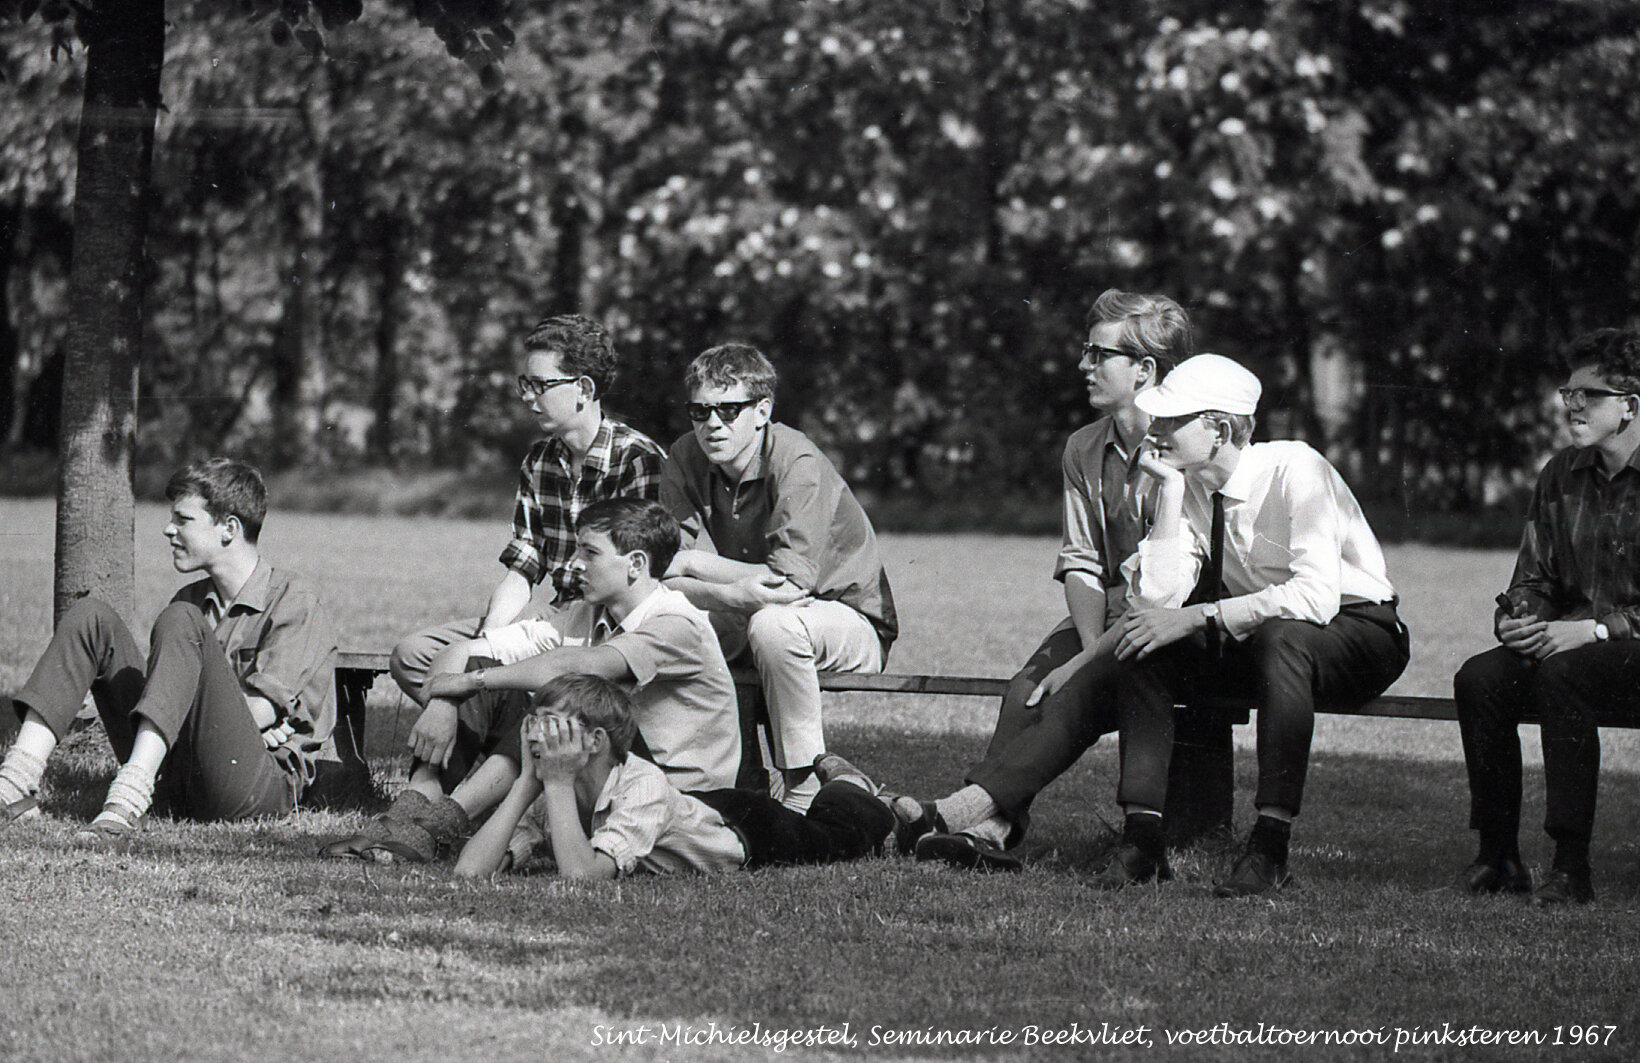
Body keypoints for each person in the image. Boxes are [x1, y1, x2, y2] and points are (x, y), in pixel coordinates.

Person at [900, 290, 1194, 871]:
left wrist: (1087, 664)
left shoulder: (1183, 447)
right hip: (1107, 616)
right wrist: (1089, 650)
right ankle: (991, 828)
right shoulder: (1083, 447)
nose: (1084, 365)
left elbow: (1169, 589)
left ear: (1144, 369)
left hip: (1171, 621)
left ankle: (966, 817)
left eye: (1098, 354)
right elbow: (1081, 561)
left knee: (1075, 686)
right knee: (1027, 688)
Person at [1103, 354, 1409, 896]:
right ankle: (1142, 840)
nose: (1155, 431)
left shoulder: (1297, 469)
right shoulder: (1187, 484)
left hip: (1359, 632)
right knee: (1148, 641)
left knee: (1281, 637)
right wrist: (1169, 494)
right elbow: (1154, 600)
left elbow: (1315, 597)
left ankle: (1269, 848)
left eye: (1171, 421)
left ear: (1220, 430)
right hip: (1266, 640)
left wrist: (1201, 616)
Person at [320, 498, 739, 862]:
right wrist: (443, 703)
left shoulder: (677, 623)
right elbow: (467, 651)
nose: (574, 564)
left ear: (636, 564)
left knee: (562, 701)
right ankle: (403, 820)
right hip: (599, 775)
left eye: (590, 553)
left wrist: (470, 682)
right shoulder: (585, 613)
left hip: (671, 796)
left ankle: (436, 826)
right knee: (491, 678)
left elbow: (577, 667)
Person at [385, 315, 664, 809]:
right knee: (414, 655)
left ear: (583, 389)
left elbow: (639, 579)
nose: (528, 397)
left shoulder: (637, 459)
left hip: (605, 626)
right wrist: (482, 649)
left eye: (540, 384)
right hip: (550, 617)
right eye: (525, 383)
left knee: (529, 682)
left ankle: (453, 793)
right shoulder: (539, 461)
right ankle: (468, 773)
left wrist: (479, 670)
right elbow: (522, 569)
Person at [0, 458, 336, 838]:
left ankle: (126, 803)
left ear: (229, 529)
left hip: (257, 787)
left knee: (181, 619)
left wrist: (247, 724)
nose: (168, 529)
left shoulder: (295, 600)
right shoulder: (191, 599)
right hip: (181, 773)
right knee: (89, 617)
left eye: (183, 519)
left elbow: (260, 711)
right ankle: (14, 784)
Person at [660, 343, 897, 811]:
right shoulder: (685, 455)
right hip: (754, 607)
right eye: (700, 411)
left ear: (763, 411)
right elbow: (662, 571)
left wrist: (693, 565)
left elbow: (788, 586)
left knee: (774, 625)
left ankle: (804, 787)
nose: (712, 424)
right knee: (678, 621)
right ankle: (737, 783)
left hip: (848, 619)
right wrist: (727, 591)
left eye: (729, 410)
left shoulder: (797, 461)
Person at [1453, 327, 1640, 906]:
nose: (1572, 406)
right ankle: (1498, 856)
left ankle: (1570, 865)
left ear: (1630, 406)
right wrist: (1519, 619)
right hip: (1571, 643)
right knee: (1479, 679)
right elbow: (1534, 578)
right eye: (1568, 393)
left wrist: (1596, 629)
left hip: (1621, 647)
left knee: (1564, 675)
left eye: (1590, 395)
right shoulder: (1560, 473)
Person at [453, 673, 896, 880]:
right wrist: (525, 786)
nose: (535, 735)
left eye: (552, 725)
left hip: (749, 829)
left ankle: (850, 788)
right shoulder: (552, 785)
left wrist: (556, 783)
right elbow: (470, 872)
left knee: (838, 837)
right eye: (533, 722)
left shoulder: (638, 785)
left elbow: (581, 879)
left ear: (595, 741)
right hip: (697, 808)